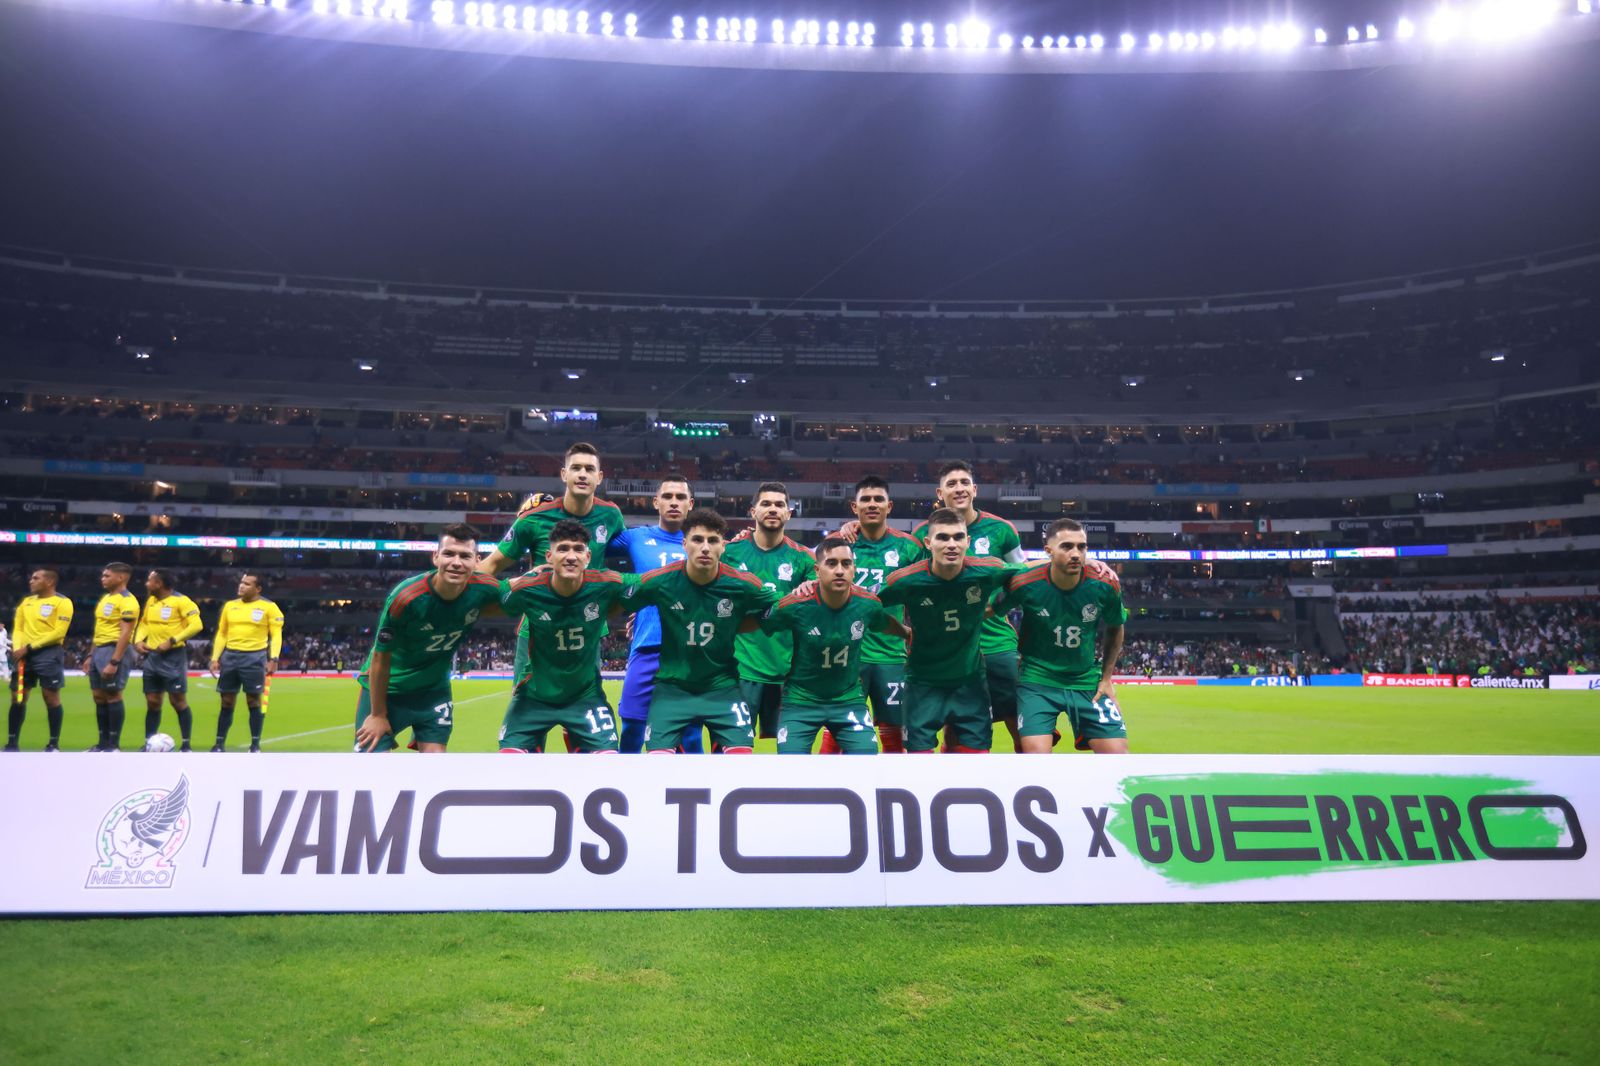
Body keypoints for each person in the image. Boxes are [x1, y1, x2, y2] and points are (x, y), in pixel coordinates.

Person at [625, 508, 780, 753]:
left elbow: (780, 606)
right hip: (671, 689)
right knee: (656, 762)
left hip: (723, 688)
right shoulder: (661, 580)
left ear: (723, 547)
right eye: (697, 540)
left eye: (713, 540)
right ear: (685, 544)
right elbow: (611, 593)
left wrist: (742, 624)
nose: (705, 548)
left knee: (741, 759)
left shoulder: (742, 584)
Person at [877, 508, 1023, 753]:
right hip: (922, 685)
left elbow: (1029, 576)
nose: (951, 544)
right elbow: (868, 608)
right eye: (943, 537)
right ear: (928, 542)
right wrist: (902, 631)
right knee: (917, 768)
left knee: (974, 767)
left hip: (971, 684)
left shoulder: (987, 570)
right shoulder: (906, 580)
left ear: (968, 541)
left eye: (957, 537)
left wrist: (997, 608)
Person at [355, 525, 503, 753]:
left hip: (433, 690)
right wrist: (377, 715)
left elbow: (525, 595)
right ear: (435, 557)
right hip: (389, 690)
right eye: (449, 554)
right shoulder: (406, 598)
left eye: (465, 556)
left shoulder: (485, 589)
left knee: (435, 768)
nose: (456, 562)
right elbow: (380, 658)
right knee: (372, 767)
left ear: (476, 561)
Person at [911, 461, 1027, 748]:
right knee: (955, 727)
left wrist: (998, 610)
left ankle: (1028, 787)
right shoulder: (920, 536)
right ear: (940, 493)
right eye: (951, 484)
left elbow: (1025, 581)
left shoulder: (1002, 530)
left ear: (975, 489)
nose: (959, 488)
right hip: (946, 649)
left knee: (1020, 724)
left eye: (964, 482)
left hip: (995, 643)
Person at [497, 519, 634, 753]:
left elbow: (656, 586)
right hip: (534, 697)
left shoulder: (606, 584)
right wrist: (515, 581)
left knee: (610, 760)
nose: (571, 556)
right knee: (510, 764)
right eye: (563, 549)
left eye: (578, 549)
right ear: (549, 556)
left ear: (588, 557)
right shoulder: (527, 589)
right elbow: (480, 593)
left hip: (586, 697)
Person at [760, 537, 906, 753]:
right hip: (800, 702)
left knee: (868, 762)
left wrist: (908, 633)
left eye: (846, 564)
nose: (839, 570)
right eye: (832, 563)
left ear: (854, 570)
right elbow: (763, 624)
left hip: (848, 701)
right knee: (790, 770)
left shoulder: (868, 604)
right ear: (817, 570)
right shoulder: (795, 604)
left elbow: (883, 623)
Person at [998, 518, 1130, 754]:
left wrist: (1107, 677)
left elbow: (1115, 626)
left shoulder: (1105, 583)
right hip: (1037, 679)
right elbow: (989, 610)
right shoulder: (1025, 581)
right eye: (1067, 546)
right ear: (1048, 550)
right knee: (1035, 756)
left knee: (1118, 756)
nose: (1076, 553)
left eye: (1082, 546)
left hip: (1086, 679)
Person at [826, 475, 924, 753]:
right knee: (837, 727)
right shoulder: (837, 544)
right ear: (853, 507)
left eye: (878, 499)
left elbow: (922, 595)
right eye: (865, 500)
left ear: (889, 506)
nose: (872, 504)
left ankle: (891, 790)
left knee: (893, 731)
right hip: (845, 653)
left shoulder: (909, 547)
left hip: (890, 654)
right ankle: (825, 788)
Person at [607, 474, 702, 753]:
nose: (674, 502)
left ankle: (693, 791)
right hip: (648, 645)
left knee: (691, 734)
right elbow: (590, 544)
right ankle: (629, 790)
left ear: (691, 504)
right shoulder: (635, 538)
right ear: (655, 502)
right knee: (633, 728)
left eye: (681, 497)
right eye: (668, 497)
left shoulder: (704, 543)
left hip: (690, 650)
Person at [722, 482, 817, 742]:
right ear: (752, 511)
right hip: (740, 670)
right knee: (733, 750)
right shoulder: (729, 553)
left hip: (789, 672)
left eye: (779, 504)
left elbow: (814, 608)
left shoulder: (805, 559)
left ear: (789, 513)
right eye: (766, 503)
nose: (773, 509)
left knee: (790, 756)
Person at [208, 572, 286, 752]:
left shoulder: (269, 607)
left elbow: (276, 635)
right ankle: (219, 743)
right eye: (241, 583)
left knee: (253, 701)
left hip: (254, 657)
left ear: (258, 589)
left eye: (247, 584)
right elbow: (222, 633)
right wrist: (215, 657)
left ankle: (255, 744)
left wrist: (273, 658)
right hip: (230, 657)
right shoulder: (230, 606)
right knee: (226, 701)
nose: (241, 586)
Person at [5, 567, 73, 751]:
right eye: (31, 578)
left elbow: (59, 632)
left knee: (50, 697)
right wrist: (19, 648)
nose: (31, 581)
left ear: (49, 582)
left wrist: (28, 647)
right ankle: (12, 742)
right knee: (18, 697)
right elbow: (18, 628)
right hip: (24, 656)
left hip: (48, 654)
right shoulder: (26, 603)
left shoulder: (62, 602)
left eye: (36, 578)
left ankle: (53, 743)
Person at [135, 569, 203, 751]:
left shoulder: (182, 601)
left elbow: (197, 624)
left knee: (177, 701)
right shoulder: (151, 601)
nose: (146, 584)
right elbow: (145, 623)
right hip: (151, 656)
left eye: (149, 580)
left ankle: (186, 744)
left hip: (173, 657)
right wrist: (138, 640)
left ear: (159, 584)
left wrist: (173, 640)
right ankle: (149, 743)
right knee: (152, 701)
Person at [84, 562, 138, 751]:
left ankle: (114, 745)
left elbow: (126, 633)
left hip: (114, 650)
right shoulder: (106, 598)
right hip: (99, 649)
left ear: (121, 577)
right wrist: (91, 655)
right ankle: (102, 743)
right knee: (99, 696)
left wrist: (114, 661)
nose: (102, 579)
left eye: (107, 576)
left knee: (113, 695)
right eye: (103, 575)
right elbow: (99, 629)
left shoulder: (128, 601)